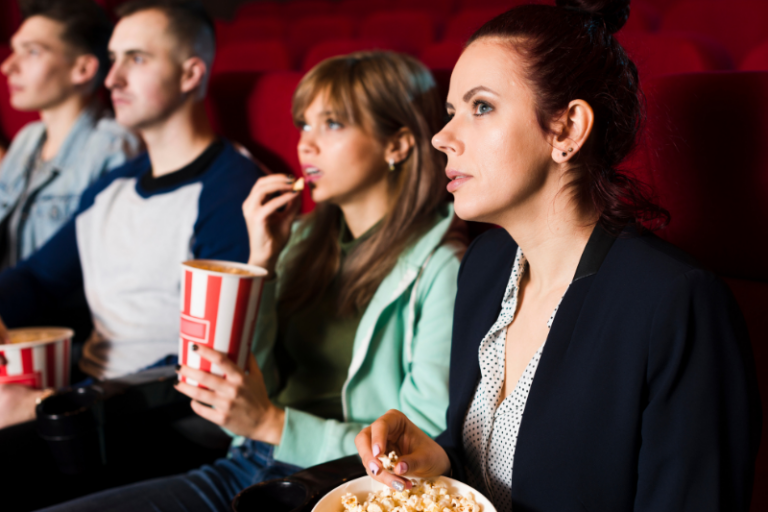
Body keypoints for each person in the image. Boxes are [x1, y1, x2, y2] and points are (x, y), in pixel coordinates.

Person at [356, 1, 762, 510]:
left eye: (481, 107)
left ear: (567, 129)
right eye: (451, 113)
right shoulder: (483, 266)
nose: (441, 138)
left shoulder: (677, 305)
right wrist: (439, 458)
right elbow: (501, 470)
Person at [37, 50, 466, 512]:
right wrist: (260, 263)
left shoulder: (443, 265)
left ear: (397, 144)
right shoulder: (299, 238)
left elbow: (420, 446)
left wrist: (272, 423)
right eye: (303, 124)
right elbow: (234, 379)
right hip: (246, 462)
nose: (306, 144)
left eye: (333, 124)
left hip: (349, 488)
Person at [0, 0, 263, 428]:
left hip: (159, 417)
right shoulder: (111, 186)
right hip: (89, 393)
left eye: (137, 59)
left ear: (190, 74)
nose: (113, 78)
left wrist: (53, 403)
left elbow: (206, 362)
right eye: (114, 59)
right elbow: (39, 278)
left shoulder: (231, 190)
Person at [0, 0, 141, 270]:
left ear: (83, 69)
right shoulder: (27, 138)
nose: (8, 66)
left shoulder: (113, 148)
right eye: (14, 49)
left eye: (31, 52)